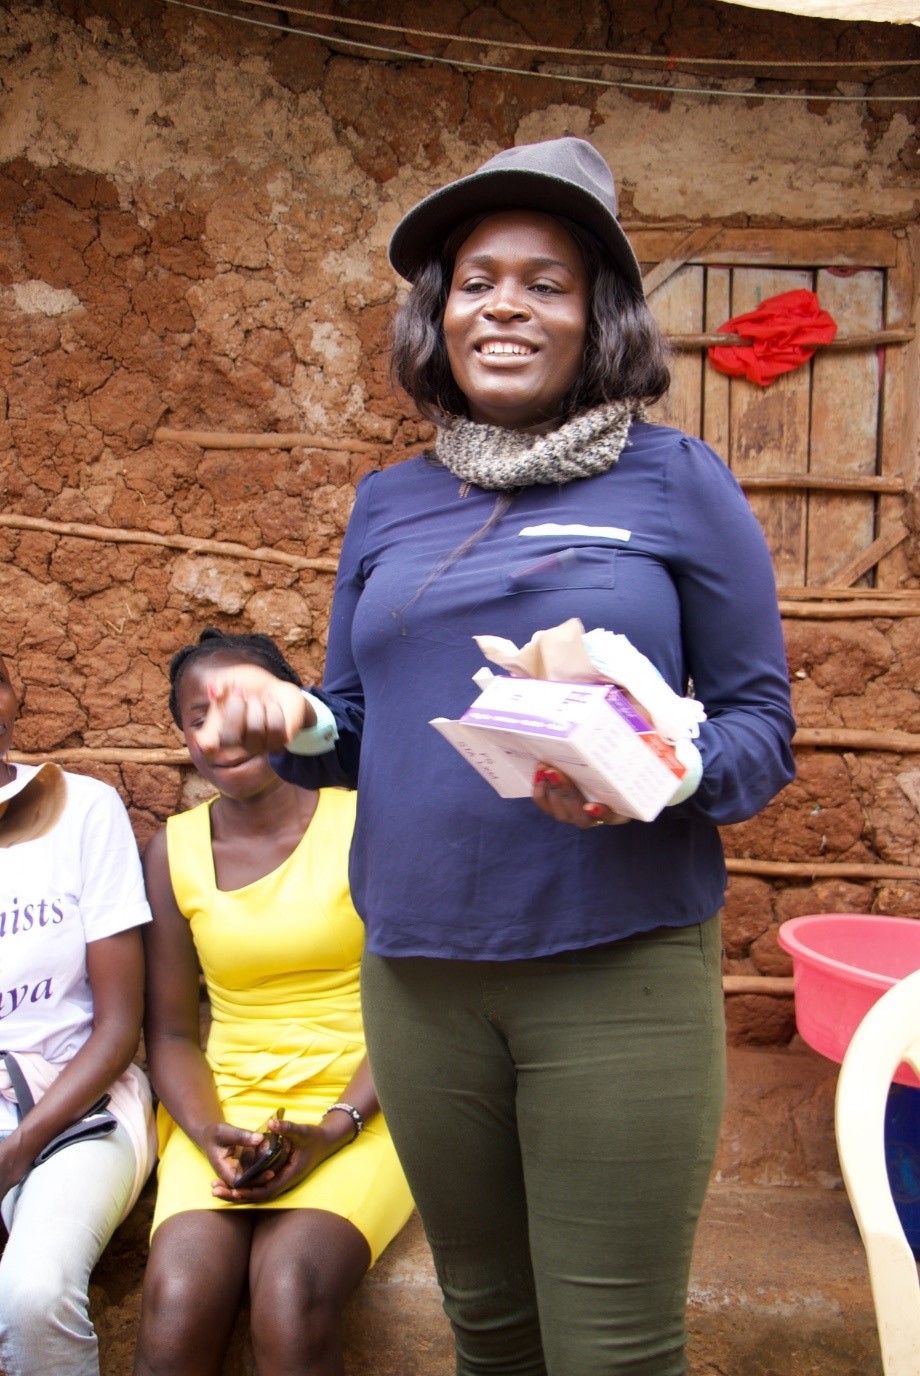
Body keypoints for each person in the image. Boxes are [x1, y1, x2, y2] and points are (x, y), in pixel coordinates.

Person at [193, 139, 797, 1376]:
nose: (504, 306)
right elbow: (354, 728)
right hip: (417, 984)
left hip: (611, 971)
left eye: (544, 281)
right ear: (438, 312)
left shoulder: (673, 480)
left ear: (596, 318)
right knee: (490, 1338)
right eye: (475, 280)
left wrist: (661, 770)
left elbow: (757, 729)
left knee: (612, 1352)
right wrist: (288, 718)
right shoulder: (387, 502)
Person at [134, 629, 412, 1376]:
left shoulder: (365, 824)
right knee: (178, 1297)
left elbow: (420, 1009)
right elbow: (170, 1034)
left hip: (365, 1105)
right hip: (226, 1112)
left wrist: (332, 1127)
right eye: (198, 717)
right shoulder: (173, 853)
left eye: (242, 707)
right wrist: (206, 1130)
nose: (220, 734)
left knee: (290, 1293)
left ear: (293, 712)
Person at [0, 652, 155, 1376]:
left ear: (10, 697)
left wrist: (20, 1144)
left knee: (35, 1295)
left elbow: (119, 1027)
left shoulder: (80, 810)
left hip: (75, 1102)